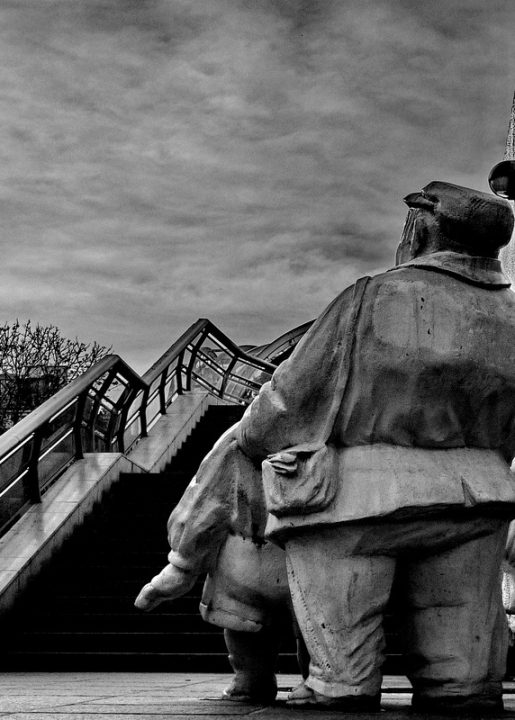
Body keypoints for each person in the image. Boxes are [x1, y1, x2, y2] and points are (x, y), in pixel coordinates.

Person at [236, 181, 515, 714]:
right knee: (462, 660)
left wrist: (254, 437)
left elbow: (292, 398)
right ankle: (460, 686)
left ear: (424, 228)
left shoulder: (372, 297)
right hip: (478, 497)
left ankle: (339, 687)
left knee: (342, 654)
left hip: (359, 498)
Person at [134, 425, 307, 703]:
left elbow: (204, 501)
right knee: (313, 631)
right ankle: (310, 680)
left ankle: (252, 680)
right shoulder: (337, 434)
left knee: (248, 629)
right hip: (297, 551)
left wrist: (183, 562)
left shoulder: (240, 437)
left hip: (246, 555)